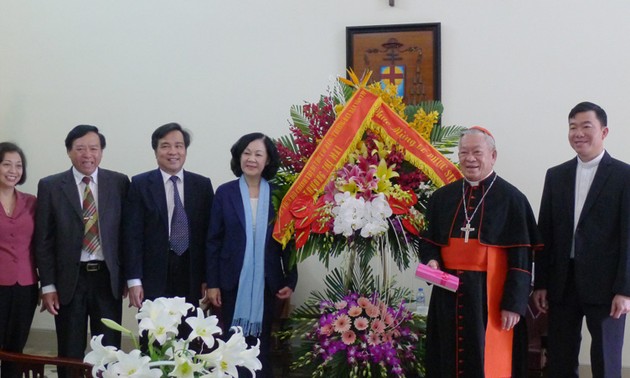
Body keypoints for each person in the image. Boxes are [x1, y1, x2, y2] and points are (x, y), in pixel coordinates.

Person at [420, 126, 541, 378]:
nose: (469, 158)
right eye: (463, 152)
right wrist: (430, 260)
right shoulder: (442, 198)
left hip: (490, 297)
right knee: (446, 357)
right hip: (448, 294)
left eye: (477, 152)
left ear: (493, 156)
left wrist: (514, 304)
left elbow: (521, 259)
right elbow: (428, 241)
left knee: (486, 360)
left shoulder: (512, 199)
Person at [532, 102, 630, 377]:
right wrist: (540, 283)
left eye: (586, 126)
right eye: (573, 127)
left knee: (606, 360)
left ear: (604, 131)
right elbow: (545, 234)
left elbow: (628, 236)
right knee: (560, 359)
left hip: (607, 286)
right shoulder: (556, 175)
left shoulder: (624, 176)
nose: (578, 133)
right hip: (562, 283)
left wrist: (625, 289)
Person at [34, 125, 129, 375]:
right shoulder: (51, 186)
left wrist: (129, 278)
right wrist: (48, 285)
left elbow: (126, 235)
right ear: (69, 152)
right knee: (69, 349)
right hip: (69, 280)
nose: (88, 154)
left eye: (93, 148)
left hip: (107, 279)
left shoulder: (119, 182)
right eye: (80, 148)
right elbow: (43, 240)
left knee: (109, 349)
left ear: (101, 151)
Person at [205, 132, 298, 377]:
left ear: (267, 161)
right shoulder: (225, 193)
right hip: (230, 282)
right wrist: (212, 284)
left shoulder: (279, 194)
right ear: (239, 156)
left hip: (269, 283)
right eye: (246, 153)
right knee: (231, 341)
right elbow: (213, 241)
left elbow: (289, 241)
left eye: (258, 154)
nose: (251, 159)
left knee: (261, 344)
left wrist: (290, 279)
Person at [123, 122, 214, 310]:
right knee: (153, 334)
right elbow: (132, 236)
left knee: (188, 334)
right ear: (155, 151)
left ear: (185, 151)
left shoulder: (202, 186)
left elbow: (209, 236)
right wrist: (134, 280)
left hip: (190, 274)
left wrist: (208, 278)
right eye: (165, 146)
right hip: (153, 275)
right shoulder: (140, 184)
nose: (173, 152)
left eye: (179, 146)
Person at [0, 142, 38, 377]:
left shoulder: (32, 202)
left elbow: (41, 244)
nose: (13, 170)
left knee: (16, 349)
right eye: (6, 164)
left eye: (18, 165)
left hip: (25, 285)